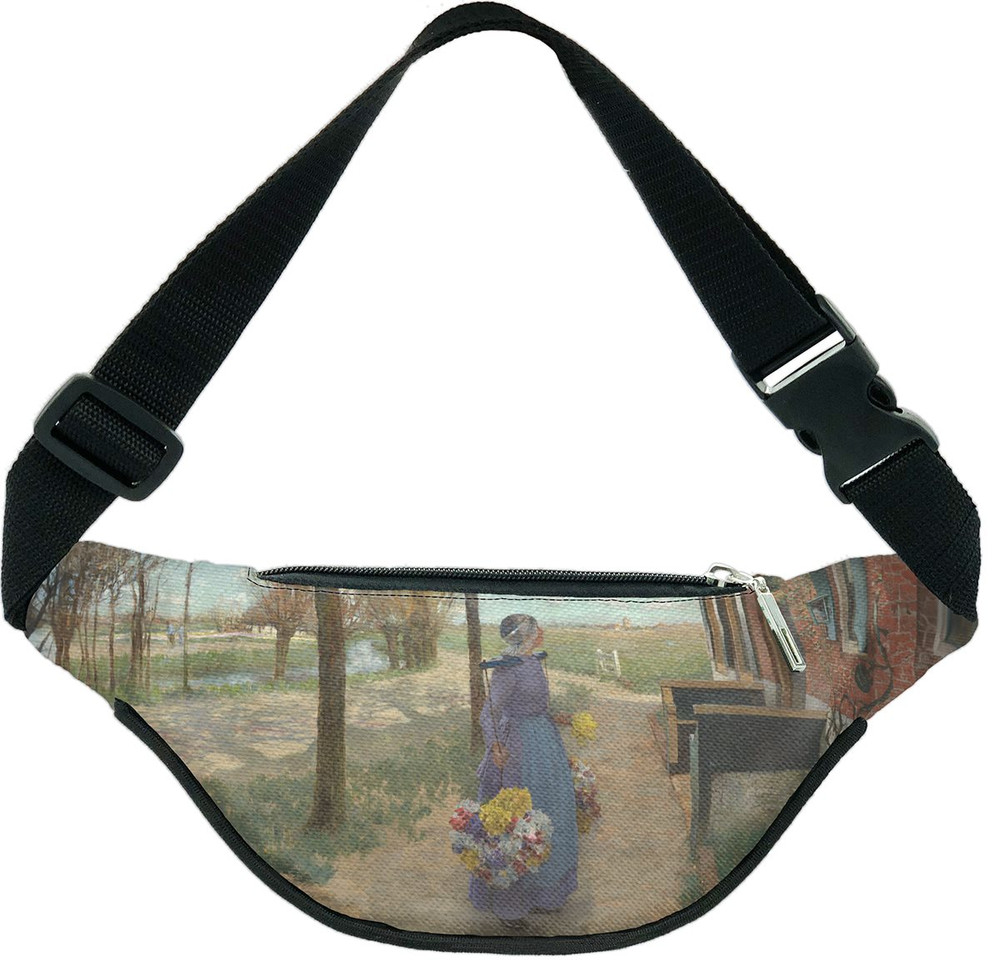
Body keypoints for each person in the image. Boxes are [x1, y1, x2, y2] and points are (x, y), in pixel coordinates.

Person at [470, 614, 578, 924]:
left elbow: (535, 705)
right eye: (536, 628)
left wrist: (556, 717)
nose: (542, 630)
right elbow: (488, 714)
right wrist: (495, 745)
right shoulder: (508, 668)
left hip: (545, 744)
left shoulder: (534, 661)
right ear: (526, 635)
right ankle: (511, 906)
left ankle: (546, 895)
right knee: (518, 820)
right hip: (517, 749)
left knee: (553, 812)